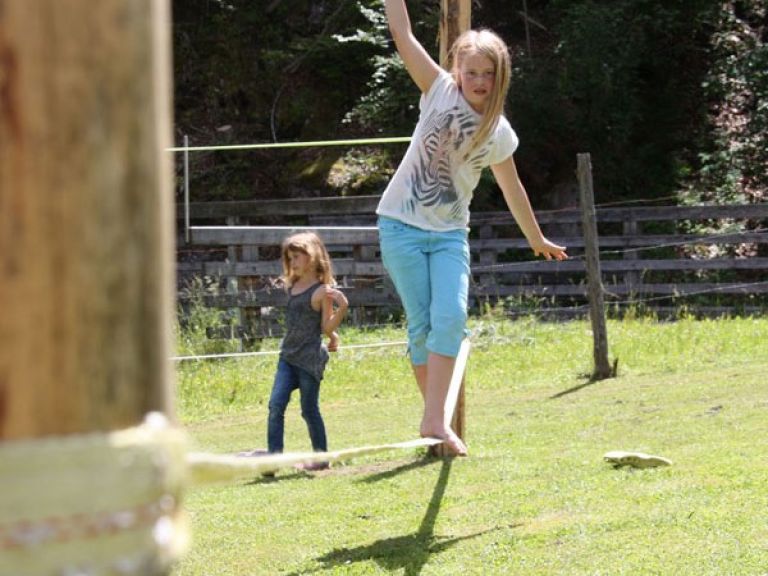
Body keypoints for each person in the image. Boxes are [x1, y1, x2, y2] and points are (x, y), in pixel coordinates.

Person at [376, 0, 568, 456]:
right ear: (458, 70)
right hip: (400, 226)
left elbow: (512, 186)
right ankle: (437, 420)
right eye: (472, 71)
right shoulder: (438, 90)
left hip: (448, 236)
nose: (479, 81)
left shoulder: (498, 132)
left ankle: (433, 419)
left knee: (451, 318)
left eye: (488, 73)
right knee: (421, 327)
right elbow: (403, 36)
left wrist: (535, 237)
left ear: (499, 77)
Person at [266, 231, 348, 471]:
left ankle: (322, 459)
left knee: (308, 410)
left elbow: (324, 326)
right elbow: (302, 322)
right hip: (288, 357)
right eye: (290, 258)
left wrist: (342, 308)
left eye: (297, 257)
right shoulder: (292, 286)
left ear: (312, 257)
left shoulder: (323, 291)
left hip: (309, 360)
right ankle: (272, 462)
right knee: (275, 406)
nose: (293, 263)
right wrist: (334, 338)